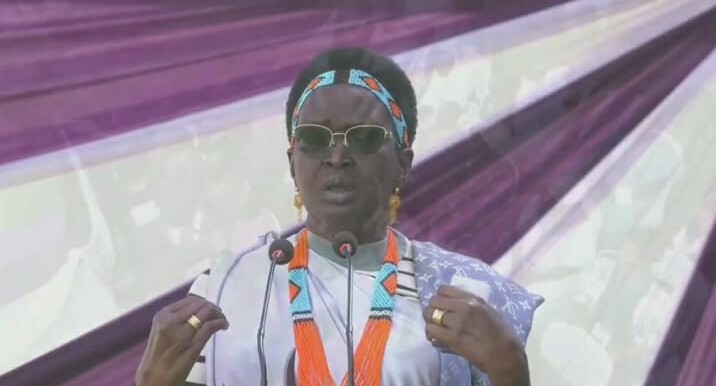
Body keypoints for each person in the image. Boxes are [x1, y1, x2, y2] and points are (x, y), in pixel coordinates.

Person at [135, 47, 543, 386]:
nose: (337, 157)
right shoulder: (226, 289)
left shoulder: (465, 294)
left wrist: (509, 370)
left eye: (364, 137)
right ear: (293, 162)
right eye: (315, 138)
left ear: (403, 164)